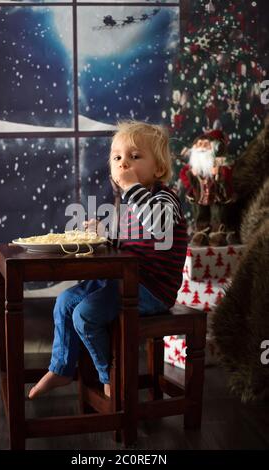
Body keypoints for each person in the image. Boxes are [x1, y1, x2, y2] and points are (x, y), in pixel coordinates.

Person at [29, 120, 188, 399]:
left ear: (159, 169)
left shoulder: (165, 199)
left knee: (85, 314)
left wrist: (131, 189)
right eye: (117, 158)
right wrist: (103, 233)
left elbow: (158, 227)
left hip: (153, 289)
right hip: (124, 282)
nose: (123, 164)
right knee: (65, 302)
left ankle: (108, 376)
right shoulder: (128, 204)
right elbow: (127, 242)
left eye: (134, 157)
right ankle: (61, 368)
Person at [179, 129, 236, 246]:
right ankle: (202, 232)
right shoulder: (195, 164)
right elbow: (184, 174)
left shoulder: (219, 161)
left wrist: (218, 172)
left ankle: (218, 232)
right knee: (200, 213)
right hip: (200, 195)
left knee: (217, 213)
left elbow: (228, 172)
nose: (202, 147)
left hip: (215, 194)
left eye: (206, 144)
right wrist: (191, 174)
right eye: (199, 144)